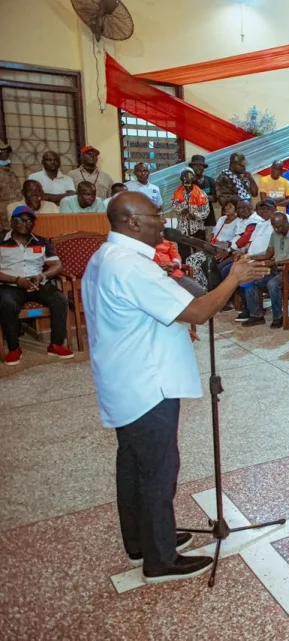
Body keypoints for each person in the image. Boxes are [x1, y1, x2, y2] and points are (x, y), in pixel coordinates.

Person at [83, 191, 267, 583]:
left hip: (124, 379)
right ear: (133, 221)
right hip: (148, 384)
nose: (163, 221)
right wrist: (233, 278)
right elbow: (198, 311)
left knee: (133, 464)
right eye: (156, 214)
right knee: (157, 470)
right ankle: (161, 560)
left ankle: (144, 541)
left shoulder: (104, 257)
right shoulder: (131, 266)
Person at [0, 206, 73, 365]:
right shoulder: (1, 240)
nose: (25, 223)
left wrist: (42, 276)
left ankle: (56, 345)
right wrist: (17, 280)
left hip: (38, 283)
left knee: (60, 300)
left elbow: (57, 266)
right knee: (7, 304)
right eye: (20, 219)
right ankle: (14, 349)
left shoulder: (41, 241)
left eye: (29, 221)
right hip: (10, 285)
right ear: (11, 221)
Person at [237, 212, 289, 328]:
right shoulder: (275, 234)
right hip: (277, 269)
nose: (277, 229)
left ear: (287, 223)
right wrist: (249, 257)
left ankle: (278, 317)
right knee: (251, 279)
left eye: (280, 227)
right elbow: (268, 254)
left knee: (272, 284)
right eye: (274, 227)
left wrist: (275, 262)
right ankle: (256, 316)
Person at [170, 169, 209, 256]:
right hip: (182, 230)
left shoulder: (202, 194)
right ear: (181, 178)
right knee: (184, 256)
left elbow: (206, 212)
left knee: (200, 256)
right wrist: (181, 210)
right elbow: (174, 206)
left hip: (198, 229)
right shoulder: (176, 193)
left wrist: (195, 216)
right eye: (184, 176)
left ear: (194, 178)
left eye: (190, 176)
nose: (187, 178)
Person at [187, 155, 218, 227]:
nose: (198, 167)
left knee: (209, 233)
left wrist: (200, 197)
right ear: (191, 167)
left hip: (209, 218)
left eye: (201, 165)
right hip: (193, 218)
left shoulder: (210, 181)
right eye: (196, 165)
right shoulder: (188, 182)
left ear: (204, 167)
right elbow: (186, 198)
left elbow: (215, 198)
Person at [0, 140, 19, 231]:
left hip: (15, 217)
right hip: (3, 221)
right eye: (0, 151)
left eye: (6, 151)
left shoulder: (10, 171)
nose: (4, 153)